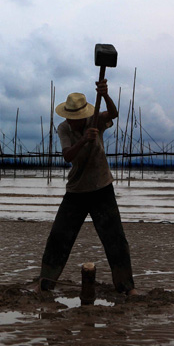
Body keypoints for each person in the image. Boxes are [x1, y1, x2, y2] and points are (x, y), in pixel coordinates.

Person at [39, 79, 136, 295]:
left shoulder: (96, 120)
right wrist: (83, 139)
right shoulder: (63, 128)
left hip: (102, 187)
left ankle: (126, 287)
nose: (71, 121)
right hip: (76, 191)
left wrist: (106, 94)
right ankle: (45, 284)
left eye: (75, 119)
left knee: (116, 240)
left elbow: (113, 113)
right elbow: (68, 157)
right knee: (58, 238)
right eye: (69, 118)